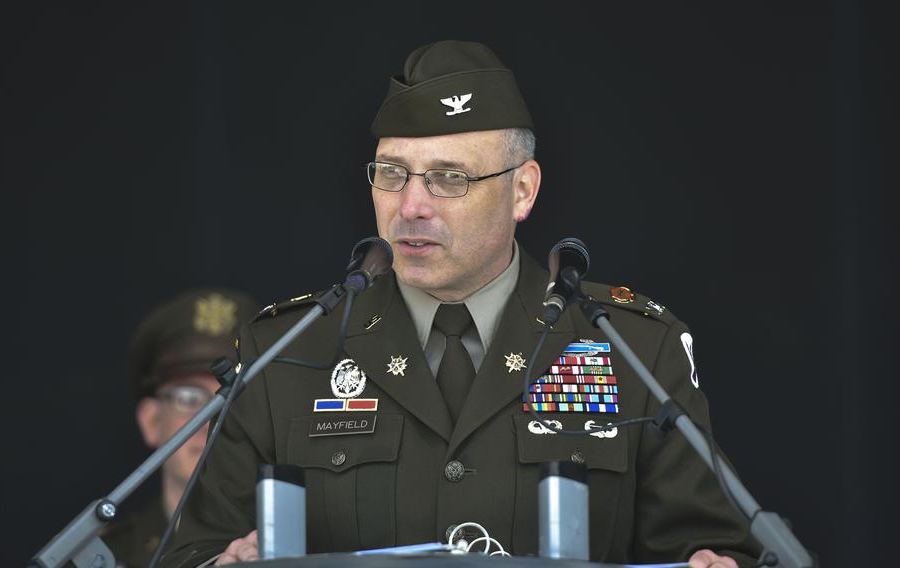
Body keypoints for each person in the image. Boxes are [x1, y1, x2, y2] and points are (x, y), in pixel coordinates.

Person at [160, 41, 760, 568]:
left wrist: (714, 562)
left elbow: (711, 544)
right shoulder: (286, 352)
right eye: (392, 174)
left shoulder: (631, 347)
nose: (412, 206)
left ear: (522, 190)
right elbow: (189, 552)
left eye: (449, 178)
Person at [101, 288, 259, 568]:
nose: (211, 422)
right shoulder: (105, 557)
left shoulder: (302, 550)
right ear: (152, 421)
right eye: (189, 399)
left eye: (235, 397)